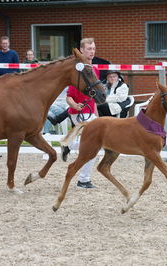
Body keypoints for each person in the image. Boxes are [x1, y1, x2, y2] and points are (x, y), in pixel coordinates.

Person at [61, 37, 100, 189]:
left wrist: (97, 116)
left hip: (91, 113)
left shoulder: (95, 69)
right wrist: (74, 105)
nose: (92, 52)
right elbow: (68, 96)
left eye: (94, 49)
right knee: (94, 146)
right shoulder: (78, 70)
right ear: (82, 50)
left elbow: (94, 97)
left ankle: (69, 145)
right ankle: (83, 180)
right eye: (89, 49)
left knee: (95, 145)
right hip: (79, 113)